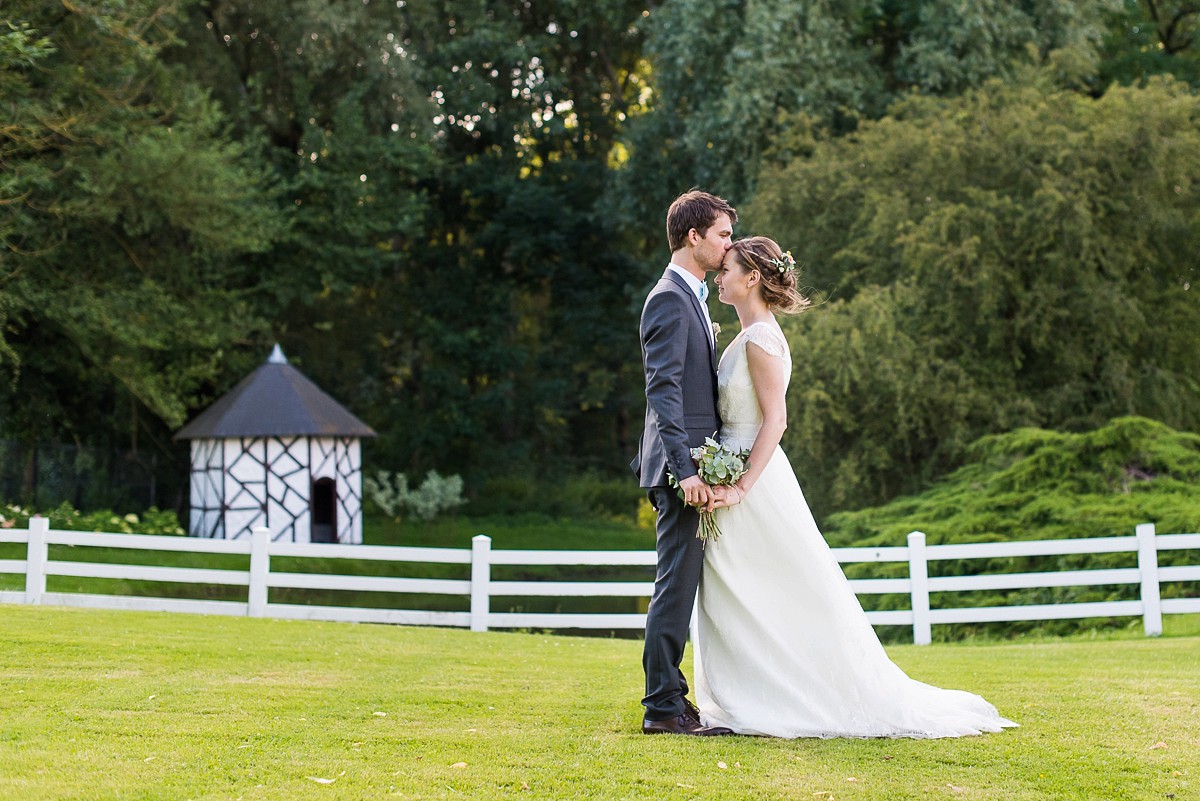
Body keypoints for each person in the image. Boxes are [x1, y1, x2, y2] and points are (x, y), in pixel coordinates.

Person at [695, 236, 1018, 738]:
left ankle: (785, 696)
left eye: (728, 269)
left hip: (751, 482)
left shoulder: (761, 340)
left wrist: (738, 488)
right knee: (746, 591)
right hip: (730, 470)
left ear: (752, 278)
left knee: (778, 588)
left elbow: (775, 422)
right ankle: (754, 690)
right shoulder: (746, 335)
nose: (720, 275)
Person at [631, 190, 736, 736]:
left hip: (693, 463)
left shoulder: (692, 295)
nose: (728, 245)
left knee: (682, 582)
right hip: (682, 471)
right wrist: (688, 470)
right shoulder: (669, 298)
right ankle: (663, 708)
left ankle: (672, 699)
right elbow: (664, 391)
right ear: (693, 236)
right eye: (722, 235)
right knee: (675, 584)